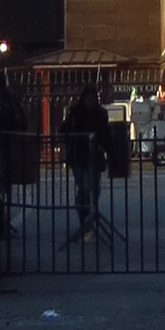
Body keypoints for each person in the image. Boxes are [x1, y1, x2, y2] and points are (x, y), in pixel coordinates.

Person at [59, 80, 110, 239]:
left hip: (94, 154)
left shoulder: (101, 113)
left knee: (94, 187)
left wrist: (107, 149)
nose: (90, 103)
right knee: (84, 186)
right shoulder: (75, 112)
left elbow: (105, 133)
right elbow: (64, 130)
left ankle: (90, 216)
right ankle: (84, 217)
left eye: (92, 100)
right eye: (88, 99)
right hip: (79, 154)